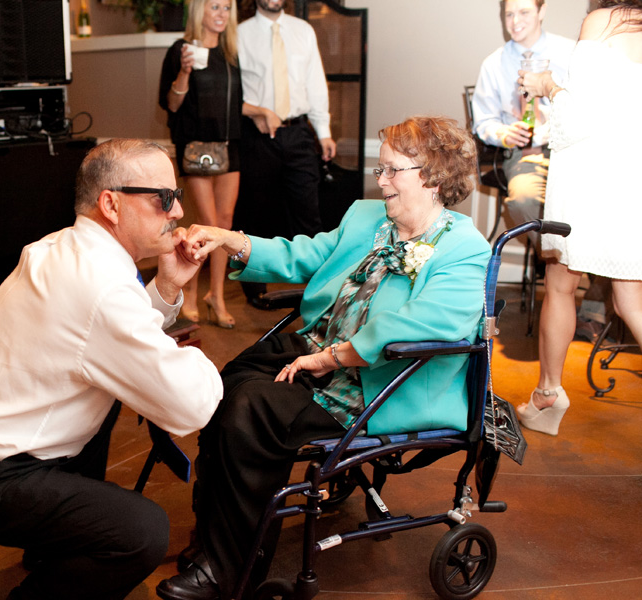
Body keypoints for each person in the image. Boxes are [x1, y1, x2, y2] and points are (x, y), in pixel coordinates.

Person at [155, 116, 491, 600]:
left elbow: (425, 323)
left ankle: (227, 572)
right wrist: (230, 239)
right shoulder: (366, 217)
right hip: (317, 347)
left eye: (392, 170)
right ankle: (214, 538)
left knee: (253, 411)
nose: (381, 181)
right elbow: (305, 255)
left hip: (377, 382)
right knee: (226, 384)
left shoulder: (465, 250)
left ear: (433, 177)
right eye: (381, 169)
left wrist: (333, 358)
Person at [0, 139, 223, 600]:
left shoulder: (61, 246)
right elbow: (191, 404)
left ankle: (52, 549)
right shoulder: (101, 286)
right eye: (164, 198)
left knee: (110, 394)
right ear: (111, 204)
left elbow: (104, 337)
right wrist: (217, 367)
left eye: (177, 195)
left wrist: (164, 286)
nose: (179, 211)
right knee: (142, 532)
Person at [517, 1, 642, 435]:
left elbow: (576, 119)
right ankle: (546, 396)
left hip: (592, 175)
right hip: (632, 175)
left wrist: (547, 84)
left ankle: (548, 394)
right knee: (631, 300)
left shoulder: (605, 20)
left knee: (560, 283)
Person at [233, 0, 336, 308]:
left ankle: (319, 290)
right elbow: (233, 91)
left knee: (308, 213)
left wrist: (324, 131)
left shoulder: (303, 30)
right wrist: (255, 113)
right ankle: (255, 290)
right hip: (256, 135)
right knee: (256, 214)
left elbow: (315, 83)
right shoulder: (238, 34)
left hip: (298, 132)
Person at [158, 0, 243, 329]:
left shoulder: (230, 53)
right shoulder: (180, 50)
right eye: (215, 6)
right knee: (208, 222)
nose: (222, 14)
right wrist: (185, 70)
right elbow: (171, 103)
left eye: (226, 8)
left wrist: (264, 112)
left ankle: (216, 296)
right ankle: (191, 291)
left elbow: (235, 103)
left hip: (229, 146)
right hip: (195, 147)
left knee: (224, 224)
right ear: (200, 11)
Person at [471, 0, 574, 250]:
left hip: (569, 149)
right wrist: (503, 134)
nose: (515, 22)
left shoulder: (570, 53)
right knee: (522, 201)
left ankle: (580, 265)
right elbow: (483, 121)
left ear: (542, 10)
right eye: (509, 14)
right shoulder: (493, 64)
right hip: (525, 154)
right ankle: (554, 258)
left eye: (524, 12)